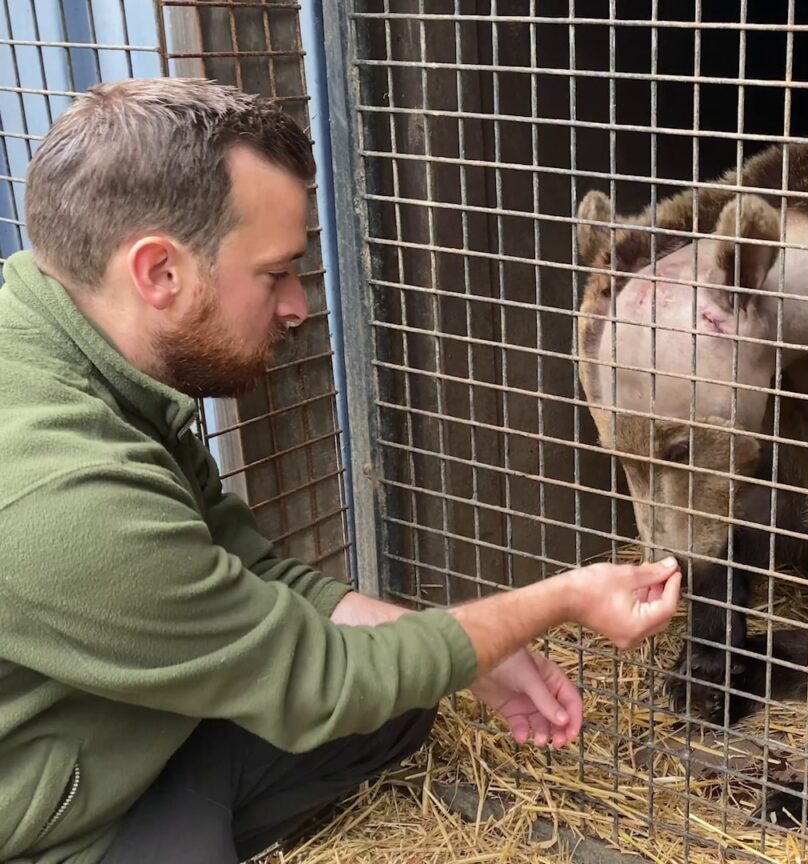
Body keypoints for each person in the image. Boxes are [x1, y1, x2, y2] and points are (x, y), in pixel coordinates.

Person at [0, 77, 682, 864]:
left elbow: (256, 575)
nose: (297, 305)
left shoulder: (107, 366)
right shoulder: (62, 495)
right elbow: (322, 677)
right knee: (370, 682)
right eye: (276, 272)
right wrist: (558, 599)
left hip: (126, 720)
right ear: (159, 273)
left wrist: (467, 654)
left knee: (405, 693)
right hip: (50, 810)